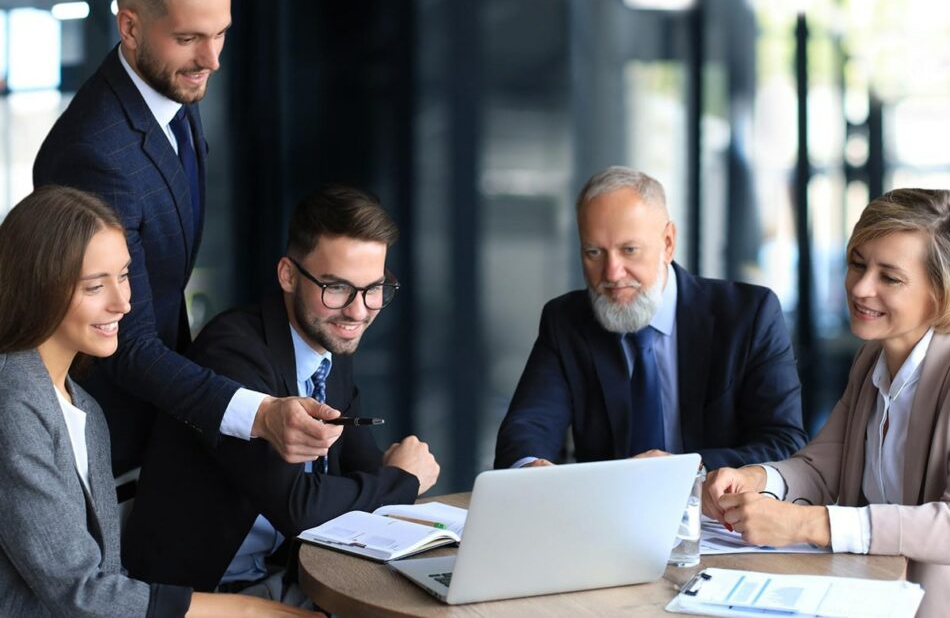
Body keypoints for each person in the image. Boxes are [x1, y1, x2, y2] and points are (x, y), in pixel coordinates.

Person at [33, 0, 329, 474]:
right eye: (189, 38)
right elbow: (124, 342)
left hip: (158, 423)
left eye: (221, 34)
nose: (212, 59)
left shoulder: (168, 92)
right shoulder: (94, 154)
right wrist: (260, 414)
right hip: (109, 447)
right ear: (130, 26)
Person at [0, 186, 316, 618]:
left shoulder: (85, 408)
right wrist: (247, 610)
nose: (123, 303)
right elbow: (80, 593)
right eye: (96, 286)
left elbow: (107, 579)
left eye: (124, 275)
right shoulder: (13, 405)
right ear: (39, 287)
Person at [123, 185, 440, 599]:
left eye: (374, 288)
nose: (358, 311)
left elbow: (360, 467)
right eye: (337, 287)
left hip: (286, 576)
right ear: (288, 275)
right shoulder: (233, 351)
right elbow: (299, 507)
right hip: (206, 594)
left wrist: (389, 479)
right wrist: (404, 478)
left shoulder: (329, 342)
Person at [703, 188, 950, 618]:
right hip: (867, 595)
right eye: (858, 264)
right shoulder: (872, 359)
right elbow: (823, 466)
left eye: (889, 278)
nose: (861, 288)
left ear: (941, 293)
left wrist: (810, 524)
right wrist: (757, 479)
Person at [494, 166, 807, 470]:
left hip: (714, 503)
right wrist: (528, 468)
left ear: (668, 243)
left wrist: (686, 469)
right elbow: (529, 425)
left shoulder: (749, 315)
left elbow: (783, 442)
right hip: (608, 504)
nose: (612, 273)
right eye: (594, 253)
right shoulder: (566, 321)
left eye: (629, 250)